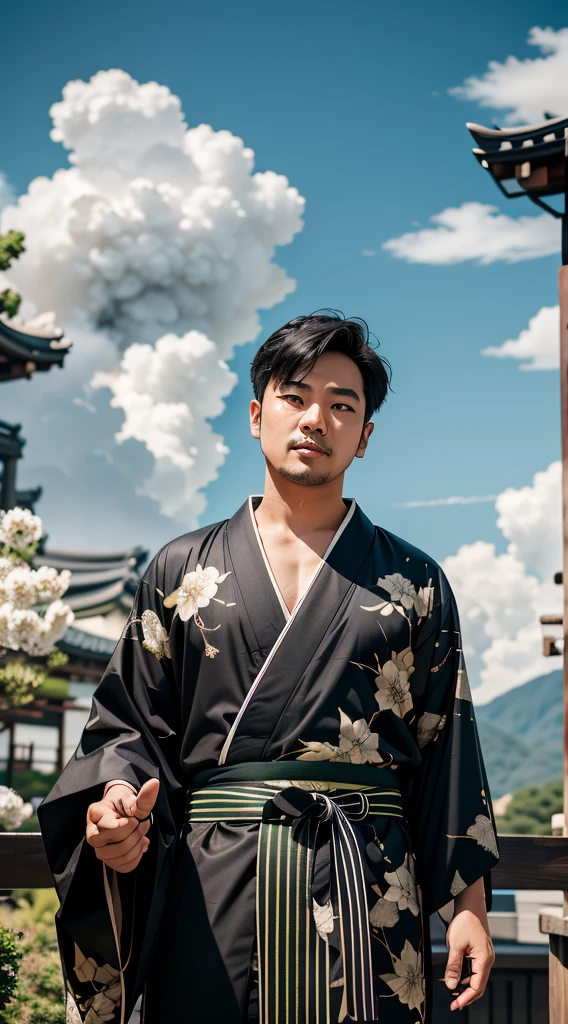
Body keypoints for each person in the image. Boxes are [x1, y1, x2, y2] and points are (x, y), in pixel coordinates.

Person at [38, 311, 499, 1024]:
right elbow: (128, 728)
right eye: (295, 395)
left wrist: (467, 907)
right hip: (215, 885)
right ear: (257, 415)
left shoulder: (417, 583)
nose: (316, 417)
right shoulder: (180, 569)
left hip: (365, 888)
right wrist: (114, 808)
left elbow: (448, 751)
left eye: (342, 404)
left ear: (365, 436)